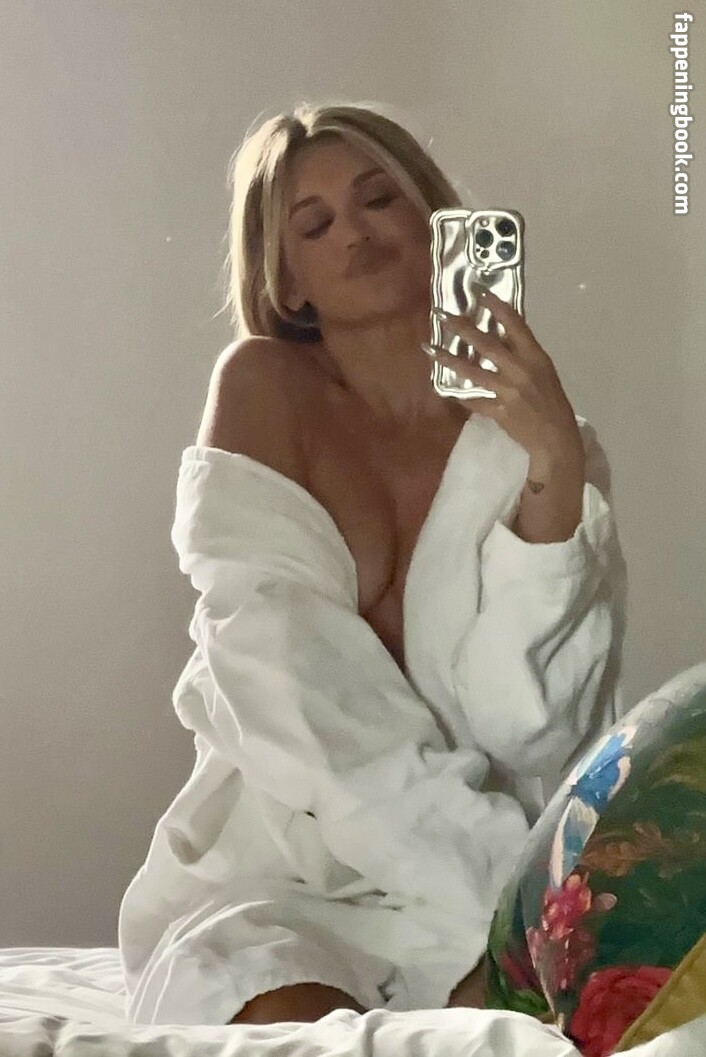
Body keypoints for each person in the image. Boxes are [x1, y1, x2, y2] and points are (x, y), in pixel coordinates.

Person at [118, 101, 627, 1029]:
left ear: (434, 219)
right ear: (288, 279)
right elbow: (281, 675)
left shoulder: (532, 440)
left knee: (495, 1027)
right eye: (314, 224)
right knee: (285, 1013)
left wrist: (553, 457)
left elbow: (535, 729)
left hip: (479, 859)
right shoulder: (264, 389)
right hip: (287, 867)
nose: (354, 230)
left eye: (379, 198)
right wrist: (505, 899)